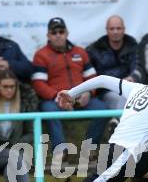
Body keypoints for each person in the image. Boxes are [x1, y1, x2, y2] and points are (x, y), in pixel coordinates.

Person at [32, 17, 107, 156]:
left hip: (82, 97)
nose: (58, 35)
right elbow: (38, 84)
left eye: (61, 31)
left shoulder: (80, 52)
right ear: (48, 35)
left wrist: (89, 93)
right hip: (56, 99)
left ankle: (89, 149)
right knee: (48, 110)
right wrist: (58, 97)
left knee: (103, 109)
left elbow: (92, 78)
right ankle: (61, 152)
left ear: (67, 33)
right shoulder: (41, 55)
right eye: (54, 32)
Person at [86, 15, 138, 110]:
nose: (115, 32)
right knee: (120, 99)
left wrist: (132, 78)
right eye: (112, 29)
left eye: (118, 28)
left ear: (124, 29)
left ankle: (116, 122)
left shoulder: (134, 47)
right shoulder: (95, 50)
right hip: (105, 91)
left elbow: (137, 68)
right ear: (106, 30)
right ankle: (119, 123)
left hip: (129, 89)